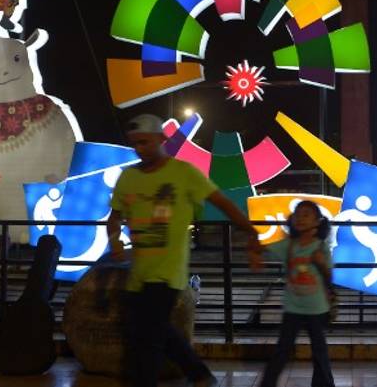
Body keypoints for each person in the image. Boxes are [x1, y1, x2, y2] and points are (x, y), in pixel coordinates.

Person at [107, 114, 262, 387]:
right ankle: (200, 374)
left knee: (149, 338)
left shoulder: (184, 173)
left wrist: (251, 231)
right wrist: (115, 240)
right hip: (138, 272)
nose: (140, 149)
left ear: (161, 139)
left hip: (168, 272)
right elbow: (115, 216)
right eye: (135, 144)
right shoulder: (128, 177)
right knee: (152, 328)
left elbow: (222, 202)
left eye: (145, 142)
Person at [252, 201, 335, 387]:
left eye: (306, 215)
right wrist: (254, 253)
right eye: (297, 214)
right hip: (293, 308)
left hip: (317, 308)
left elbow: (329, 276)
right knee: (282, 350)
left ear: (317, 222)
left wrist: (321, 263)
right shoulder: (288, 245)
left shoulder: (321, 247)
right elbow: (261, 247)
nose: (300, 218)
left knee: (319, 351)